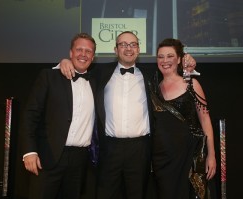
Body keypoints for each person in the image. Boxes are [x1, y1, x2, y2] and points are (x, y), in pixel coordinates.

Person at [55, 31, 197, 199]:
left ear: (138, 50)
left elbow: (172, 68)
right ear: (115, 50)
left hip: (140, 149)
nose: (128, 49)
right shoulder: (100, 72)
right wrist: (64, 62)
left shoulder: (151, 74)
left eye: (133, 44)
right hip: (108, 149)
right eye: (123, 44)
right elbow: (79, 67)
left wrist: (189, 61)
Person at [20, 33, 96, 199]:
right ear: (70, 53)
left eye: (88, 51)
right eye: (79, 49)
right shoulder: (49, 76)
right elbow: (30, 115)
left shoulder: (96, 82)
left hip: (79, 159)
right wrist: (29, 151)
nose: (83, 54)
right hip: (48, 156)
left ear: (93, 56)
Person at [148, 38, 216, 199]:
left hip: (189, 156)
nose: (165, 61)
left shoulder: (192, 84)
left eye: (170, 56)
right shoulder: (153, 88)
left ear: (179, 59)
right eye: (160, 56)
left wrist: (211, 154)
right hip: (162, 159)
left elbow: (205, 120)